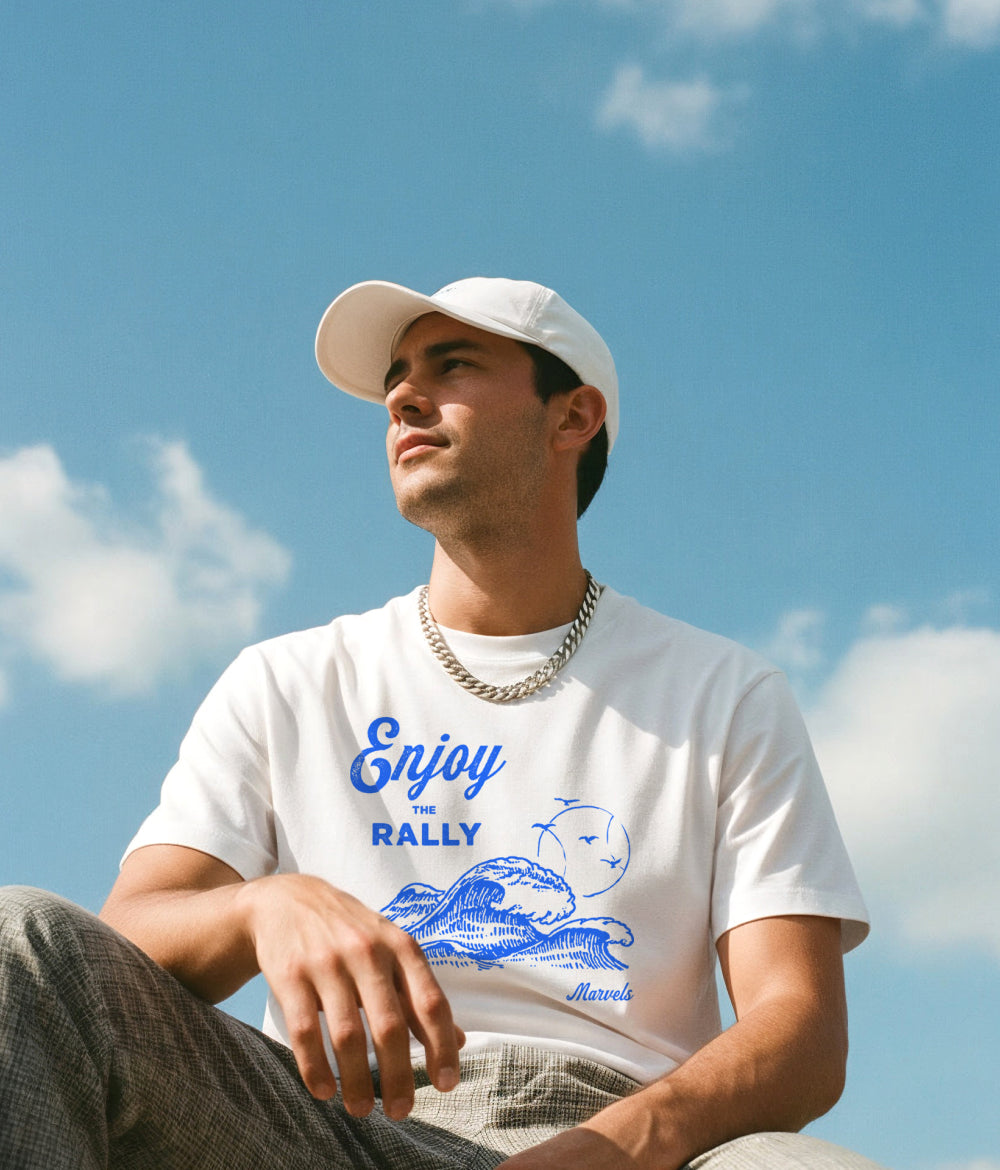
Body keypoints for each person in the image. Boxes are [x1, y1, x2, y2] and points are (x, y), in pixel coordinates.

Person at [0, 277, 885, 1170]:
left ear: (573, 416)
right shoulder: (289, 680)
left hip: (631, 1129)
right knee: (18, 937)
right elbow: (123, 938)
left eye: (452, 364)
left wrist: (620, 1145)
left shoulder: (723, 693)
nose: (401, 396)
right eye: (396, 377)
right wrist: (260, 904)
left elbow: (801, 1027)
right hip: (334, 1125)